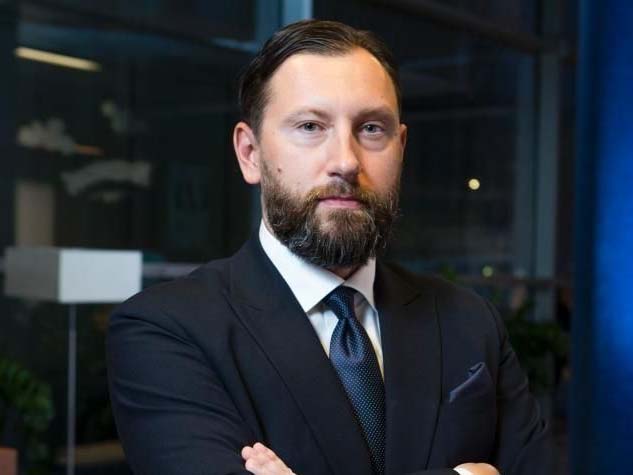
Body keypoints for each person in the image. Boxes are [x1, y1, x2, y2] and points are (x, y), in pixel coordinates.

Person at [107, 19, 550, 475]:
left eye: (371, 128)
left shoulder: (468, 320)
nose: (345, 161)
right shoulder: (167, 330)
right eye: (310, 126)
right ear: (250, 154)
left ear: (400, 148)